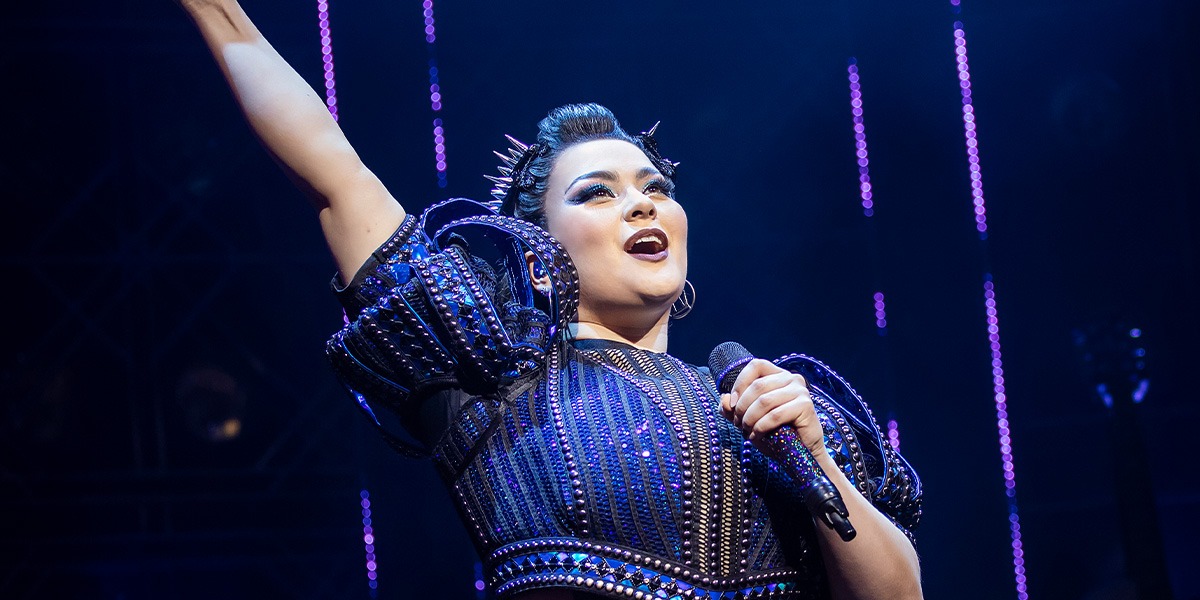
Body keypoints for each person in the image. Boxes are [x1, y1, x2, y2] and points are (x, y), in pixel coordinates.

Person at [177, 0, 924, 598]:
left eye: (655, 189)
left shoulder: (771, 416)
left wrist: (816, 463)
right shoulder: (495, 383)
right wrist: (217, 11)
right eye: (597, 194)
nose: (643, 206)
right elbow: (332, 170)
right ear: (540, 265)